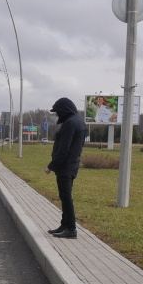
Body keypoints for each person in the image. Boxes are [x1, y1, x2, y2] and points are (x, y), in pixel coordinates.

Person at [45, 97, 86, 239]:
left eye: (57, 112)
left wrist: (51, 166)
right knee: (64, 196)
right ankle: (65, 224)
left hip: (65, 166)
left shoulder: (69, 123)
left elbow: (64, 149)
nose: (57, 115)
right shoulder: (78, 121)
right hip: (73, 164)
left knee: (66, 197)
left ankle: (71, 229)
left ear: (64, 110)